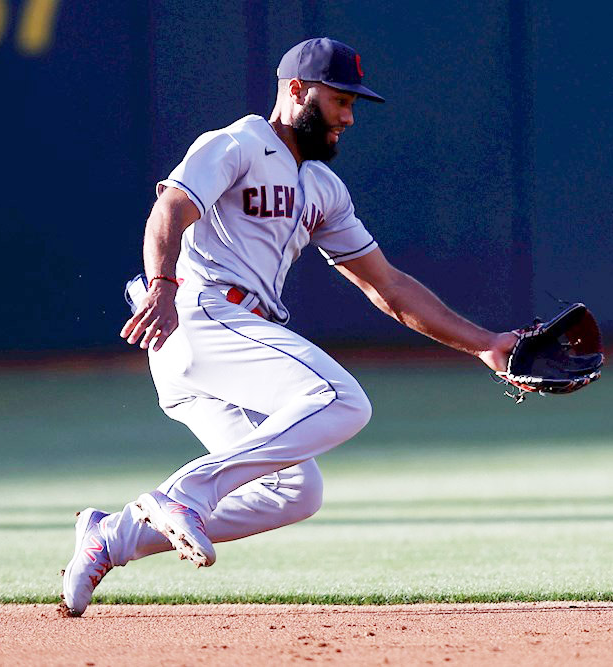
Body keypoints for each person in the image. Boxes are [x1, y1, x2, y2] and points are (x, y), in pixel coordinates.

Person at [59, 37, 517, 617]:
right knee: (341, 401)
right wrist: (163, 288)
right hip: (201, 314)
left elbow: (389, 288)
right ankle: (184, 495)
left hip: (219, 349)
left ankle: (111, 537)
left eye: (354, 105)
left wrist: (486, 345)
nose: (348, 117)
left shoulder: (324, 189)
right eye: (339, 101)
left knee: (296, 490)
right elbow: (170, 210)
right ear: (297, 91)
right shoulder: (239, 143)